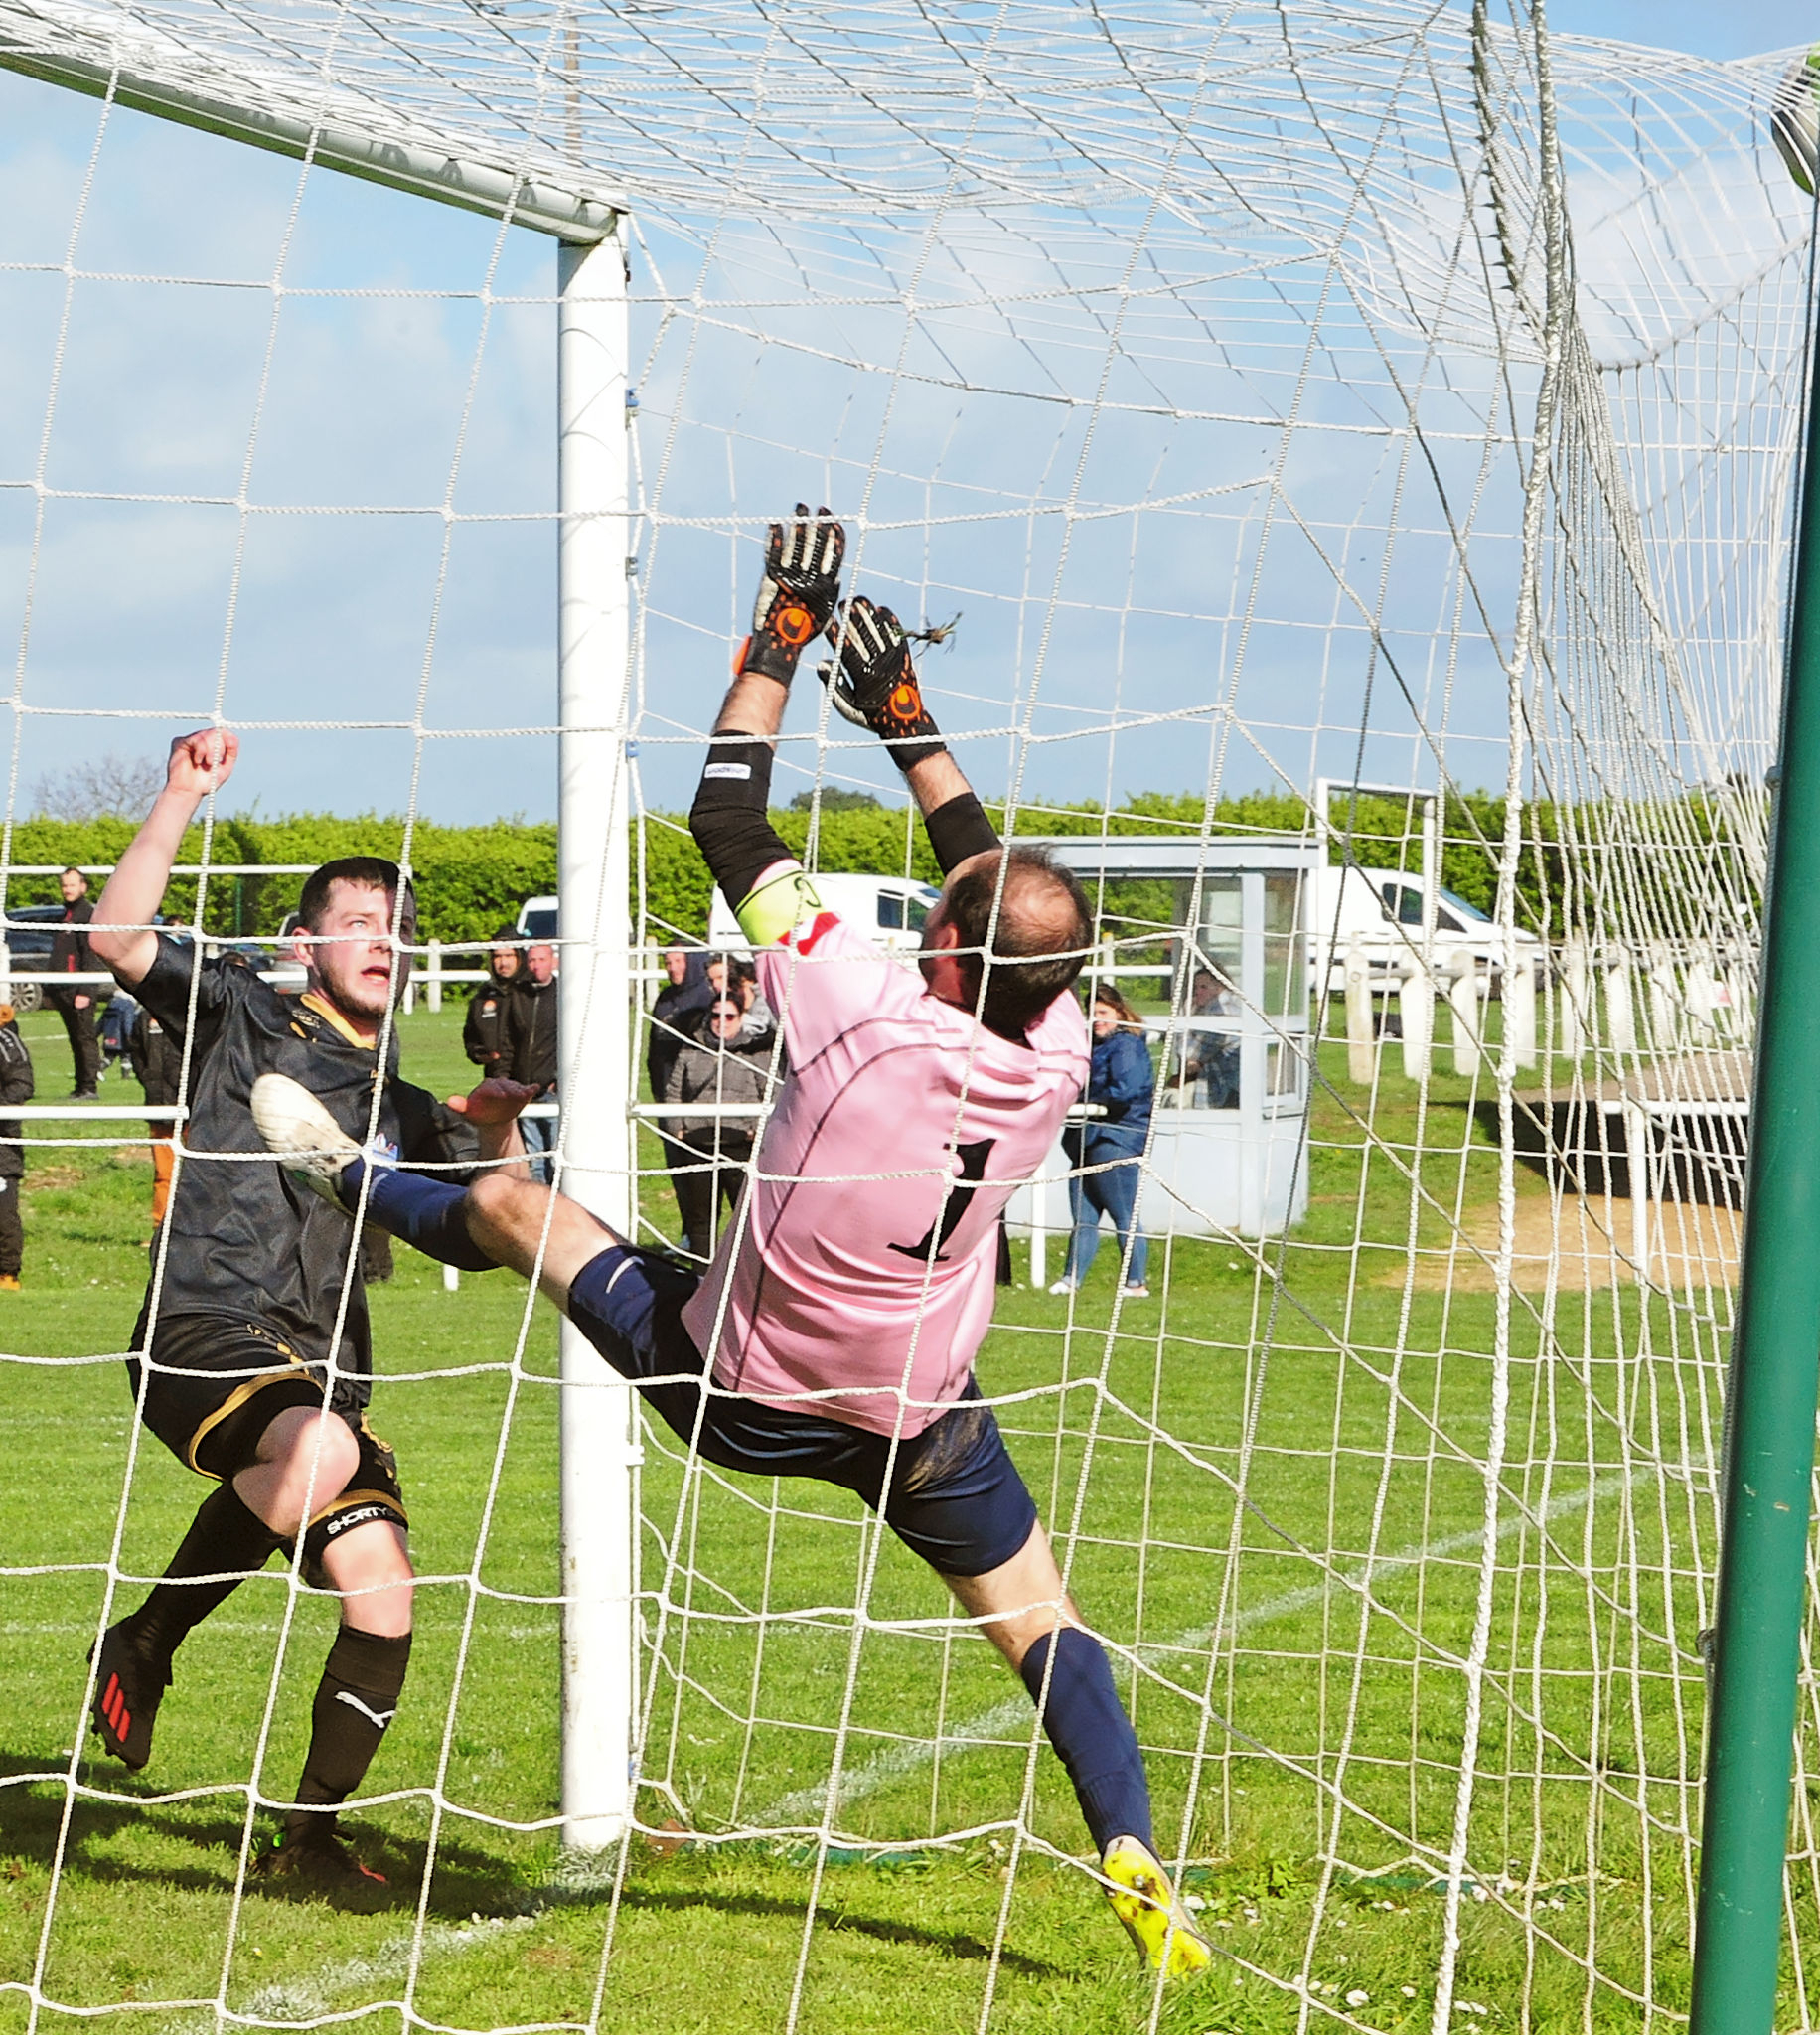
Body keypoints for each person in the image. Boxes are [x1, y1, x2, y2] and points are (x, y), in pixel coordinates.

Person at [251, 509, 1210, 1977]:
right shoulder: (1061, 1046)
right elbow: (995, 885)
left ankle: (343, 1179)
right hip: (919, 1410)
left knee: (517, 1207)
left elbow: (729, 823)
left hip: (742, 1391)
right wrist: (908, 720)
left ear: (945, 955)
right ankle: (1132, 1849)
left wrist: (780, 634)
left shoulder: (857, 1001)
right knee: (1044, 1626)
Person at [81, 730, 498, 1891]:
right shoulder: (243, 1019)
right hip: (200, 1328)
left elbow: (485, 1220)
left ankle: (306, 1840)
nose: (380, 937)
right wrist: (178, 793)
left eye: (391, 921)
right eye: (356, 919)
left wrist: (500, 1123)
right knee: (315, 1443)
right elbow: (116, 936)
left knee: (386, 1588)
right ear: (304, 942)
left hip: (322, 1370)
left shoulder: (404, 1102)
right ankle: (152, 1635)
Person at [1048, 984, 1154, 1300]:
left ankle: (1135, 1282)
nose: (1097, 1020)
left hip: (1115, 1137)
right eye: (1092, 1014)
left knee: (1124, 1214)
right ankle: (1070, 1281)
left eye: (1103, 1013)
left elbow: (1125, 1089)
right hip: (1086, 1137)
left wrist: (1087, 1099)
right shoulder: (1091, 1045)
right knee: (1084, 1217)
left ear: (1120, 1013)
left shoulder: (1125, 1045)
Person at [663, 991, 777, 1260]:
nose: (721, 1022)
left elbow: (772, 1095)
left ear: (740, 1018)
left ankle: (745, 1274)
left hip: (740, 1144)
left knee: (747, 1217)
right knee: (700, 1218)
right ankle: (702, 1277)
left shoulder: (756, 1052)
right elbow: (673, 1093)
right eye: (715, 1015)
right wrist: (678, 1129)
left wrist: (754, 1132)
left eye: (729, 1016)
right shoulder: (691, 1049)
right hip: (697, 1143)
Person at [126, 994, 187, 1229]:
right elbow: (136, 1054)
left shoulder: (188, 1016)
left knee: (203, 1170)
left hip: (191, 1105)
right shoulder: (143, 1018)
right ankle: (161, 1227)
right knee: (164, 1172)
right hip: (159, 1106)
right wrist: (151, 1081)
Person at [501, 941, 558, 1182]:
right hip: (526, 1090)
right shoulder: (519, 995)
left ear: (553, 962)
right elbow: (509, 1040)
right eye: (532, 960)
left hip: (553, 1092)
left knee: (557, 1160)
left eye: (542, 960)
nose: (536, 966)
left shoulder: (562, 996)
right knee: (535, 1161)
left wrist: (558, 1080)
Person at [50, 865, 100, 1100]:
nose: (67, 890)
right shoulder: (66, 914)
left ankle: (89, 1087)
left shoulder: (86, 915)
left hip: (79, 988)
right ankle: (81, 1085)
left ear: (83, 886)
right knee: (75, 1038)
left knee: (84, 1037)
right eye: (64, 885)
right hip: (63, 988)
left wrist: (86, 990)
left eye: (71, 885)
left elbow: (91, 955)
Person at [644, 944, 713, 1110]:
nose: (672, 968)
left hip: (696, 1084)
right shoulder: (665, 998)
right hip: (666, 1081)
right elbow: (654, 1044)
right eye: (668, 962)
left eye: (678, 961)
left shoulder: (708, 996)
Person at [0, 1002, 34, 1290]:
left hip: (2, 1145)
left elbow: (22, 1084)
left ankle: (7, 1274)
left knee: (3, 1211)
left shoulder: (6, 1041)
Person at [1179, 966, 1240, 1110]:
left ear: (1219, 987)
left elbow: (1187, 1053)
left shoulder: (1222, 1014)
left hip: (1223, 1095)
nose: (1197, 992)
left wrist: (1184, 1016)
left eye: (1203, 987)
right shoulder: (1220, 1008)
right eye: (1195, 987)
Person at [462, 940, 522, 1076]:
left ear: (519, 957)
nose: (503, 963)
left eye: (508, 956)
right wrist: (479, 1053)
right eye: (497, 956)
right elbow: (471, 1036)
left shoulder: (532, 993)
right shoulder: (483, 996)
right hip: (496, 1080)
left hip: (532, 1082)